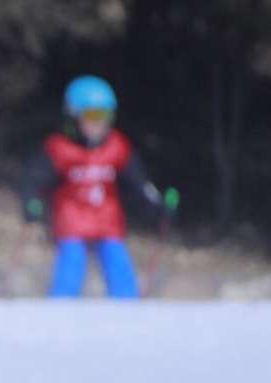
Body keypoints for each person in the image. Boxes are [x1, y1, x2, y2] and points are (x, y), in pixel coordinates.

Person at [18, 75, 178, 299]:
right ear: (74, 115)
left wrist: (158, 209)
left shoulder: (117, 147)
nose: (98, 123)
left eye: (105, 116)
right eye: (92, 115)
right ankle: (57, 315)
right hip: (71, 223)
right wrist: (31, 203)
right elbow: (33, 180)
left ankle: (128, 316)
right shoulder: (59, 148)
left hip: (107, 223)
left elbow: (138, 185)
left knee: (119, 267)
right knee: (71, 267)